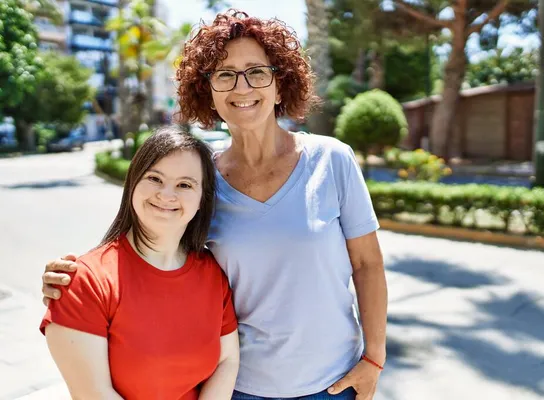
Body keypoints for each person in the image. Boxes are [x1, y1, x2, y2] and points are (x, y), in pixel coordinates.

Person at [41, 9, 388, 400]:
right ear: (207, 91)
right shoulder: (199, 177)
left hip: (334, 384)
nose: (242, 88)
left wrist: (374, 359)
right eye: (225, 75)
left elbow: (367, 263)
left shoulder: (332, 159)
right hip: (236, 386)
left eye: (257, 72)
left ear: (280, 83)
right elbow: (148, 245)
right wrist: (75, 279)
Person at [40, 127, 240, 400]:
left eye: (185, 184)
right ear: (133, 183)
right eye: (155, 178)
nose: (167, 195)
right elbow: (93, 393)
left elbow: (227, 361)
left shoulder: (212, 274)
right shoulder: (83, 281)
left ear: (201, 200)